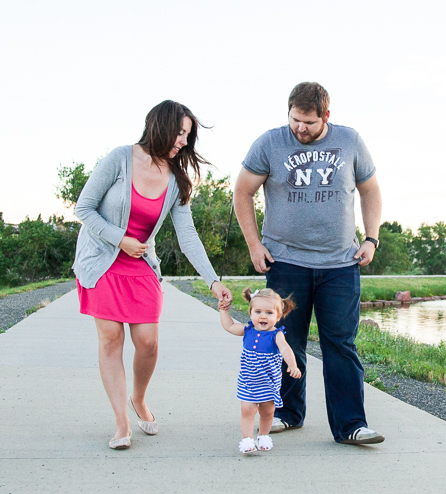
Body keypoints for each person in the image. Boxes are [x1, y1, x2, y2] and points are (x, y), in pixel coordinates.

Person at [73, 100, 232, 450]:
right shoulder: (120, 158)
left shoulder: (177, 179)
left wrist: (212, 280)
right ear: (158, 125)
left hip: (141, 264)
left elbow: (186, 236)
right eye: (179, 132)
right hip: (101, 260)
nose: (182, 141)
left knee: (148, 341)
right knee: (110, 338)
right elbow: (83, 208)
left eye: (187, 136)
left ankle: (139, 398)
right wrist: (120, 239)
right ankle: (121, 423)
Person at [234, 81, 384, 445]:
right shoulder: (270, 143)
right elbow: (242, 191)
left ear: (326, 116)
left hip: (340, 264)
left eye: (309, 122)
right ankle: (286, 413)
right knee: (285, 339)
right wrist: (254, 245)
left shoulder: (350, 141)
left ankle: (351, 425)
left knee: (340, 344)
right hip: (285, 261)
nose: (300, 128)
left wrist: (371, 237)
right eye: (295, 120)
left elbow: (370, 190)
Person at [219, 288, 301, 454]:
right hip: (248, 381)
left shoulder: (276, 335)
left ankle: (263, 436)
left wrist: (292, 365)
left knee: (267, 412)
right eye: (258, 311)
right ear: (250, 313)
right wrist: (223, 311)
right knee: (247, 410)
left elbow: (286, 349)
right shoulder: (247, 330)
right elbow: (229, 326)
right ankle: (247, 440)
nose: (263, 316)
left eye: (269, 313)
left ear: (278, 317)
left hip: (268, 383)